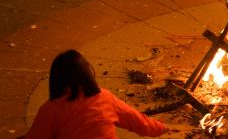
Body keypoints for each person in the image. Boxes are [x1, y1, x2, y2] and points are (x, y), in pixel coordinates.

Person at [20, 50, 167, 138]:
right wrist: (162, 128)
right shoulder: (104, 97)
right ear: (87, 73)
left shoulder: (51, 109)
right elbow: (137, 121)